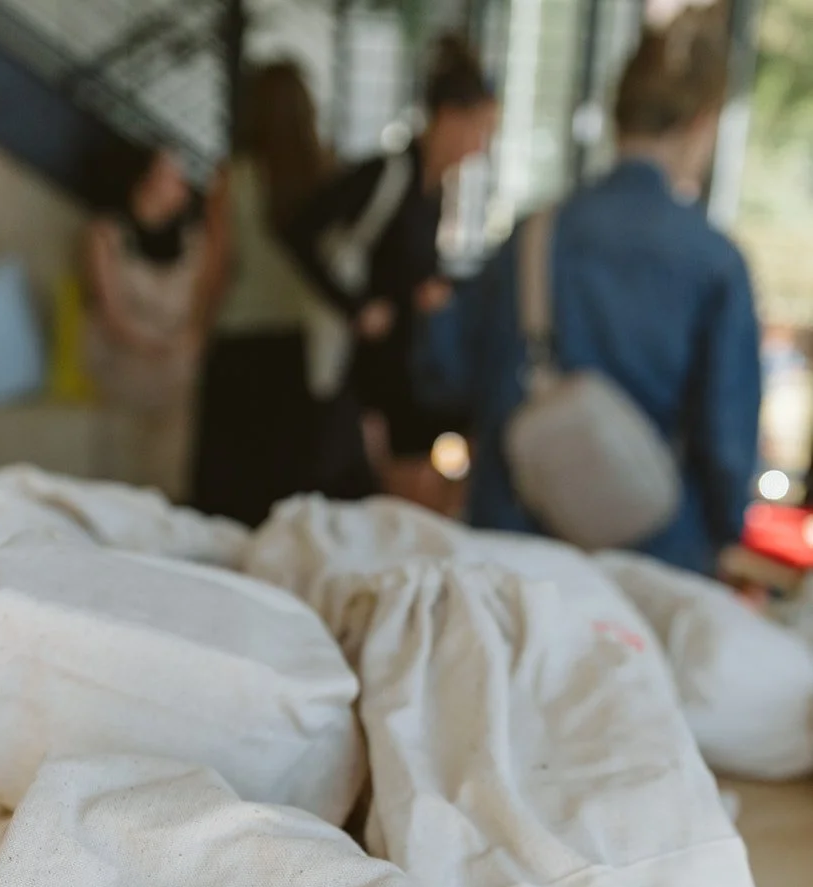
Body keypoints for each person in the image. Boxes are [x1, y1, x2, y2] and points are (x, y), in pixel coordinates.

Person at [421, 7, 759, 574]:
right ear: (704, 122)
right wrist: (725, 532)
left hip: (516, 555)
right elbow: (726, 447)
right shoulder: (714, 262)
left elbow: (444, 377)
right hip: (653, 564)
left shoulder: (532, 236)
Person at [284, 33, 497, 503]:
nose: (480, 147)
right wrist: (355, 306)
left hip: (399, 376)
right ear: (447, 117)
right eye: (479, 129)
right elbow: (298, 229)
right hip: (354, 382)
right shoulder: (386, 175)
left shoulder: (434, 194)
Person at [192, 61, 370, 528]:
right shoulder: (328, 172)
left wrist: (195, 330)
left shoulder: (235, 178)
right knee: (286, 501)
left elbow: (217, 270)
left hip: (239, 347)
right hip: (300, 352)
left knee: (228, 500)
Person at [83, 145, 210, 499]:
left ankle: (174, 498)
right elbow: (110, 314)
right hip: (124, 353)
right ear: (144, 180)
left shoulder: (196, 239)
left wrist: (185, 341)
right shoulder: (106, 234)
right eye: (173, 176)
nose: (183, 186)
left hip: (178, 354)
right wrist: (152, 345)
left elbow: (204, 307)